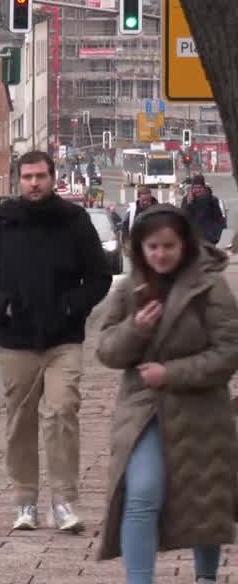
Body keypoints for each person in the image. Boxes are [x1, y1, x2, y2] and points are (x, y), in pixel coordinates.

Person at [0, 150, 112, 533]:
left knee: (62, 411)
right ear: (18, 180)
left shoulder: (74, 221)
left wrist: (71, 306)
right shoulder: (0, 223)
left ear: (52, 177)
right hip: (15, 342)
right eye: (27, 177)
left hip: (63, 339)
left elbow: (99, 277)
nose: (34, 183)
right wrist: (2, 308)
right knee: (21, 422)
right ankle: (25, 500)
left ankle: (63, 501)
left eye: (41, 176)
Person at [92, 205, 238, 584]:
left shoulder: (210, 284)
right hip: (144, 411)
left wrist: (170, 373)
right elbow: (106, 350)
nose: (159, 255)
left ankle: (206, 576)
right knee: (142, 494)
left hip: (200, 410)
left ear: (184, 245)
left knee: (203, 497)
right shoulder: (131, 288)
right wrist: (136, 330)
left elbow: (228, 353)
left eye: (168, 246)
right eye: (152, 247)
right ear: (139, 248)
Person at [183, 174, 226, 245]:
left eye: (199, 188)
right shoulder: (186, 200)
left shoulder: (212, 200)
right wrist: (188, 204)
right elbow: (183, 217)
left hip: (209, 239)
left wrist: (215, 236)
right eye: (195, 188)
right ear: (192, 188)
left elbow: (219, 219)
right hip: (192, 239)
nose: (197, 190)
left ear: (204, 188)